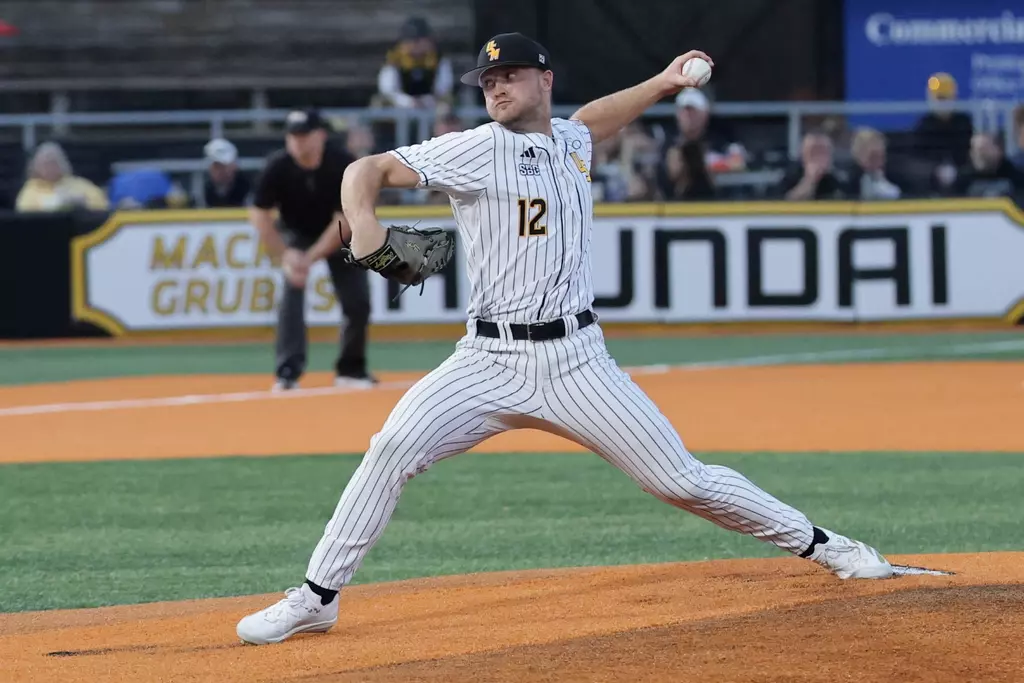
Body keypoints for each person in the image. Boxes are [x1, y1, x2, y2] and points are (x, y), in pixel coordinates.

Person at [237, 33, 893, 646]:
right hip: (487, 359)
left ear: (543, 81)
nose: (495, 88)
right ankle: (318, 595)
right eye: (488, 79)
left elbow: (596, 119)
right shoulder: (478, 146)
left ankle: (832, 547)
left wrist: (663, 83)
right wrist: (365, 224)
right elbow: (366, 167)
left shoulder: (571, 140)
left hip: (577, 361)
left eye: (510, 76)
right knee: (392, 448)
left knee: (682, 480)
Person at [249, 109, 375, 390]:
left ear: (320, 136)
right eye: (293, 136)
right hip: (296, 233)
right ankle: (287, 371)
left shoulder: (342, 163)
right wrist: (287, 255)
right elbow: (260, 215)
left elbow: (346, 218)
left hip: (340, 234)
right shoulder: (277, 166)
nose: (298, 142)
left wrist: (310, 257)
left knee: (357, 302)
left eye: (304, 135)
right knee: (290, 296)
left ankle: (351, 369)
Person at [912, 72, 973, 195]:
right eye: (939, 98)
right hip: (931, 183)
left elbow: (970, 156)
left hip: (963, 181)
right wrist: (934, 171)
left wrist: (959, 172)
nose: (942, 103)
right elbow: (917, 159)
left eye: (946, 98)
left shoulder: (964, 123)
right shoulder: (924, 126)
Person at [375, 17, 454, 110]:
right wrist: (408, 102)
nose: (416, 45)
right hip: (400, 109)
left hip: (431, 108)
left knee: (448, 102)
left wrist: (427, 101)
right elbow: (388, 91)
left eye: (421, 40)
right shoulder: (394, 60)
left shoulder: (439, 60)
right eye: (412, 41)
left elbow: (444, 89)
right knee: (378, 103)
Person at [15, 142, 109, 212]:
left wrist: (83, 203)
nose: (50, 168)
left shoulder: (81, 184)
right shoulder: (30, 189)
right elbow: (25, 212)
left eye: (54, 162)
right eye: (45, 164)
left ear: (63, 164)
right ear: (36, 167)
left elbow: (102, 206)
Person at [777, 131, 847, 200]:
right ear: (803, 154)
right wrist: (809, 180)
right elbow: (784, 205)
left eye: (822, 152)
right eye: (813, 152)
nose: (818, 157)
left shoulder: (840, 178)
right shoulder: (790, 175)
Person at [953, 133, 1024, 199]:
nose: (979, 154)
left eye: (983, 149)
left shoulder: (1015, 175)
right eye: (974, 150)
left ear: (998, 150)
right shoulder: (963, 178)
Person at [847, 127, 902, 200]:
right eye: (873, 157)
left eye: (881, 157)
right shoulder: (848, 179)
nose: (878, 162)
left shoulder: (895, 176)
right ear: (857, 153)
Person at [199, 138, 251, 208]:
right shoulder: (205, 191)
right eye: (216, 166)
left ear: (234, 166)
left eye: (223, 166)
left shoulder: (249, 189)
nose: (220, 171)